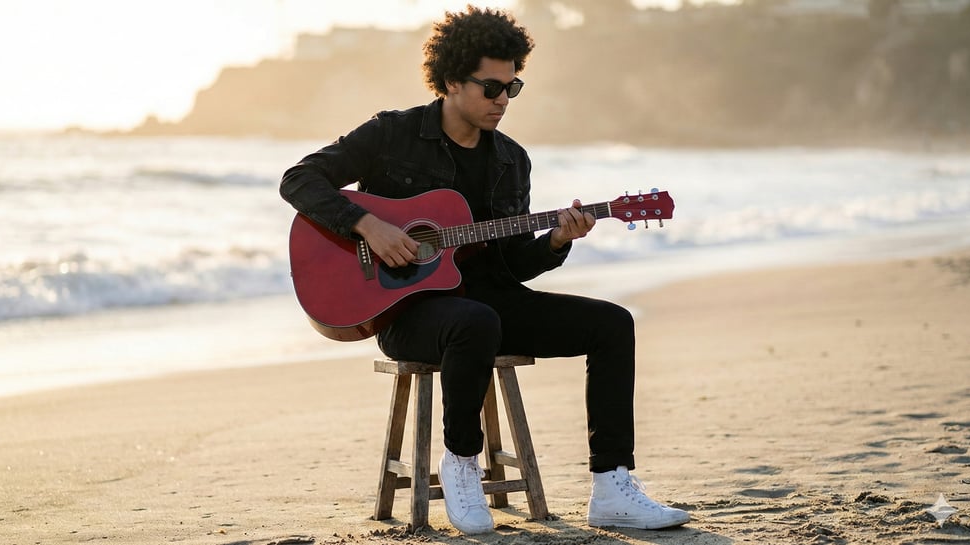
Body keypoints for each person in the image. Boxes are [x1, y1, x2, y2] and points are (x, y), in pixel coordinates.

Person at [279, 5, 689, 535]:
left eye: (512, 89)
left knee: (613, 324)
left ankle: (612, 485)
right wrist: (368, 225)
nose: (502, 101)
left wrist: (557, 239)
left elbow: (513, 263)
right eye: (491, 88)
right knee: (474, 322)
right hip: (407, 312)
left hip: (491, 302)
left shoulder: (511, 161)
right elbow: (300, 179)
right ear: (450, 79)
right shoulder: (392, 134)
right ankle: (462, 463)